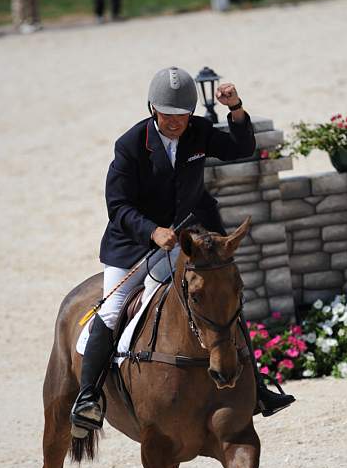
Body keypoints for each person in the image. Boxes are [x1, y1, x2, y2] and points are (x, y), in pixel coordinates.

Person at [71, 66, 295, 433]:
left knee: (221, 299)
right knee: (112, 310)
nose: (177, 123)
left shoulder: (199, 132)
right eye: (169, 115)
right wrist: (152, 231)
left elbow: (242, 147)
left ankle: (256, 390)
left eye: (183, 115)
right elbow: (118, 206)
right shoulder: (129, 145)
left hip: (185, 240)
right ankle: (89, 398)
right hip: (131, 245)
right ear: (152, 109)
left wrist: (235, 108)